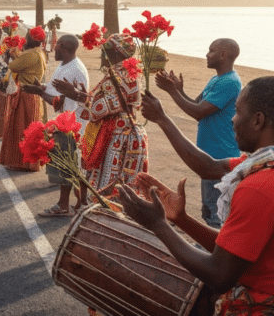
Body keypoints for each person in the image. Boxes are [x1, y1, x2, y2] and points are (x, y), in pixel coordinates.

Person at [117, 76, 274, 315]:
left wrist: (158, 225)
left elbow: (220, 275)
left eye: (237, 111)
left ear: (257, 120)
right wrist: (181, 219)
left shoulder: (259, 186)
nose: (232, 120)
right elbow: (232, 252)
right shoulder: (261, 164)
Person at [155, 38, 242, 228]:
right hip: (210, 153)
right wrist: (178, 90)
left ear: (223, 55)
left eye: (211, 51)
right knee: (210, 208)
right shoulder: (217, 79)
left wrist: (172, 91)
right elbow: (196, 104)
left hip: (219, 155)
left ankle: (214, 244)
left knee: (215, 212)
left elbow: (198, 112)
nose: (207, 55)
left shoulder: (229, 82)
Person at [54, 33, 144, 194]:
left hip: (117, 135)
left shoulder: (117, 75)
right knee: (123, 182)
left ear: (115, 53)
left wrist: (76, 95)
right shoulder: (129, 72)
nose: (103, 55)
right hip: (127, 132)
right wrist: (82, 96)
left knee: (109, 182)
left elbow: (99, 109)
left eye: (105, 51)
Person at [22, 35, 90, 216]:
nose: (53, 48)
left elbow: (61, 103)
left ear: (64, 48)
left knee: (67, 165)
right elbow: (55, 91)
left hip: (73, 125)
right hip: (66, 122)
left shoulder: (75, 69)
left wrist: (39, 92)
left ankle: (64, 206)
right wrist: (42, 87)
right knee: (71, 165)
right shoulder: (65, 65)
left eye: (56, 45)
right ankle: (81, 203)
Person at [0, 28, 47, 172]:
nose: (25, 38)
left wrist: (11, 56)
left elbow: (13, 66)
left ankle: (22, 162)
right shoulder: (39, 53)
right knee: (30, 128)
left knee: (21, 129)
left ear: (32, 39)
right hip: (32, 94)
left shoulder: (31, 54)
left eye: (27, 36)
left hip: (26, 94)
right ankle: (28, 162)